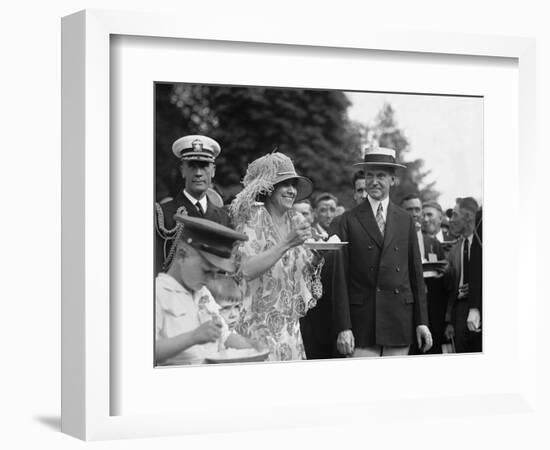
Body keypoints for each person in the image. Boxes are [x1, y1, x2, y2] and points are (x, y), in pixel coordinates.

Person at [332, 145, 432, 357]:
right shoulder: (347, 220)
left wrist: (422, 322)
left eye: (381, 176)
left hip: (399, 320)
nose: (374, 181)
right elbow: (339, 278)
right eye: (370, 175)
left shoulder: (405, 219)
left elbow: (416, 275)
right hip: (362, 323)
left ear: (392, 180)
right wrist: (343, 326)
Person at [230, 152, 323, 361]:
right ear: (269, 189)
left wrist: (317, 258)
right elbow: (245, 270)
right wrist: (286, 243)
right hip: (256, 329)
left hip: (290, 331)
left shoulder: (296, 218)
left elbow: (301, 271)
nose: (292, 190)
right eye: (285, 184)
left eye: (293, 184)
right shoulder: (252, 219)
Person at [155, 215, 255, 366]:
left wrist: (253, 347)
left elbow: (223, 334)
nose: (211, 279)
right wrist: (192, 338)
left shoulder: (202, 291)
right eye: (207, 271)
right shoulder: (157, 293)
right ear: (182, 256)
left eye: (216, 272)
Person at [155, 135, 232, 274]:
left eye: (204, 167)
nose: (198, 173)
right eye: (192, 166)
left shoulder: (224, 218)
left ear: (213, 170)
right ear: (182, 170)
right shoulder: (162, 214)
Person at [402, 194, 447, 354]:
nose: (414, 213)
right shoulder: (395, 242)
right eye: (409, 209)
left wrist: (443, 273)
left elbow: (445, 281)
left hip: (433, 313)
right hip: (407, 314)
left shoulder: (433, 243)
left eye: (417, 209)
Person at [444, 197, 482, 353]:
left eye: (454, 215)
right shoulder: (454, 249)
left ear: (468, 216)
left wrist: (475, 290)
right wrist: (449, 321)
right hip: (459, 311)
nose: (450, 220)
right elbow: (449, 289)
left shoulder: (483, 243)